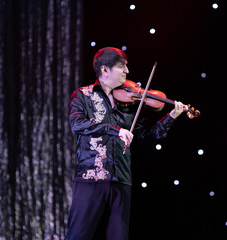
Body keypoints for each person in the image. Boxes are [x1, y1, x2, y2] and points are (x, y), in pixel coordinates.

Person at [65, 47, 185, 240]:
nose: (127, 71)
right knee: (78, 235)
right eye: (122, 67)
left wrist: (171, 116)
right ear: (105, 70)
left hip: (121, 179)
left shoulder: (128, 104)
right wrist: (115, 130)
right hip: (91, 178)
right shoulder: (83, 95)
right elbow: (77, 124)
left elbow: (147, 137)